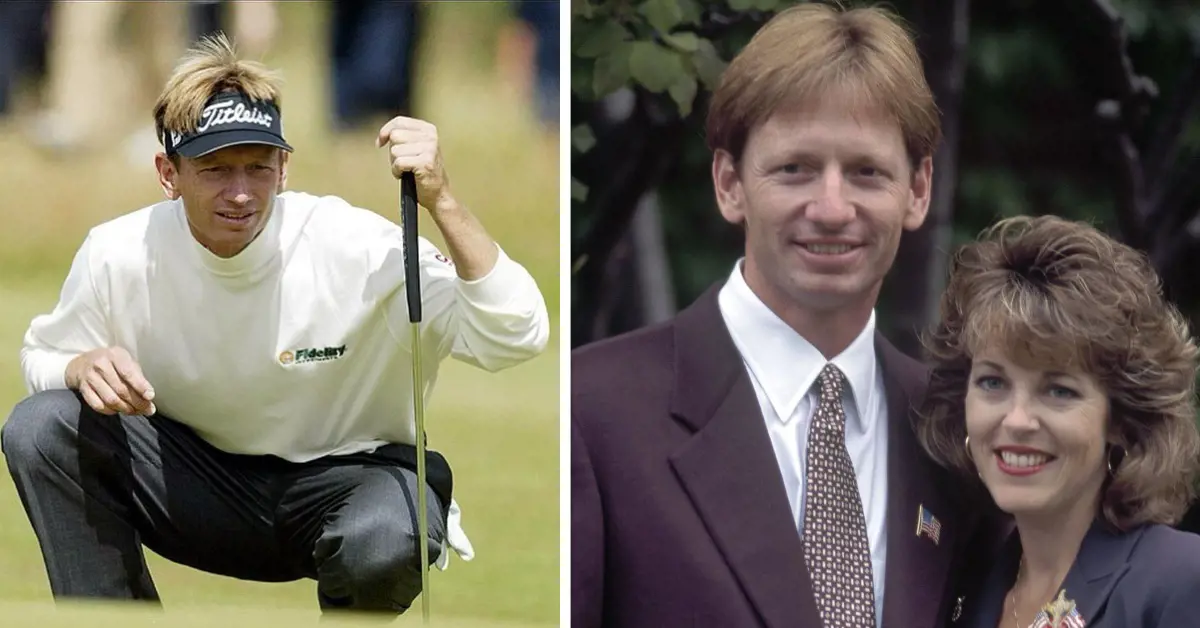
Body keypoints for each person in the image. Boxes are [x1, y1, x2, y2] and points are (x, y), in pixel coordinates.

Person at [1, 33, 549, 615]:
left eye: (258, 168)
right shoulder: (118, 252)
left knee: (383, 540)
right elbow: (44, 358)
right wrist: (78, 365)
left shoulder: (356, 247)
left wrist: (441, 199)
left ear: (284, 167)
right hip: (195, 487)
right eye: (214, 169)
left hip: (350, 486)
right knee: (43, 426)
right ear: (168, 172)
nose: (240, 193)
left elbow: (517, 333)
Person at [571, 4, 1006, 627]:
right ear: (729, 183)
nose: (831, 208)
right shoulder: (593, 412)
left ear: (917, 190)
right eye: (795, 169)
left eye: (866, 172)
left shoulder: (958, 433)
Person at [916, 215, 1200, 627]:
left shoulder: (1179, 580)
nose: (1016, 420)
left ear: (1120, 418)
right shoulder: (967, 586)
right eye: (993, 382)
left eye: (1058, 391)